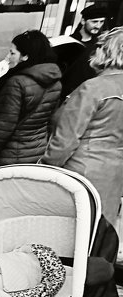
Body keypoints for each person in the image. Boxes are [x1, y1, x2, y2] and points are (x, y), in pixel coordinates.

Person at [43, 28, 123, 227]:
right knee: (99, 237)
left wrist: (44, 170)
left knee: (67, 237)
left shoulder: (93, 88)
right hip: (114, 176)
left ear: (107, 52)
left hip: (80, 173)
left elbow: (65, 142)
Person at [0, 30, 62, 170]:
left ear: (25, 56)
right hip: (36, 153)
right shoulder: (56, 82)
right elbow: (51, 120)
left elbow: (4, 127)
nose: (7, 57)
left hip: (8, 156)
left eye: (12, 53)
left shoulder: (16, 82)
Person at [63, 3, 111, 97]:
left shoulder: (101, 45)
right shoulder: (68, 42)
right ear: (83, 21)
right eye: (94, 21)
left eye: (101, 22)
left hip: (89, 93)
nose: (98, 26)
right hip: (66, 93)